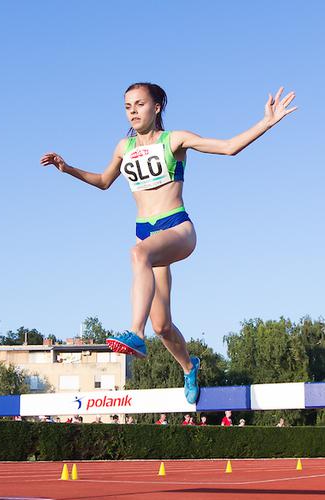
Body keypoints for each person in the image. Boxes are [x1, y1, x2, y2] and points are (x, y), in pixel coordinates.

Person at [42, 83, 297, 406]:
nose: (132, 111)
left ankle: (135, 332)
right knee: (162, 325)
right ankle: (190, 367)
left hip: (176, 228)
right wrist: (67, 169)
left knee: (138, 253)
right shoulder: (124, 147)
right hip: (147, 235)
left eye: (139, 104)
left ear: (157, 107)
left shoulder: (174, 140)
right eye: (127, 106)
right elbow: (104, 182)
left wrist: (267, 122)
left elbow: (229, 147)